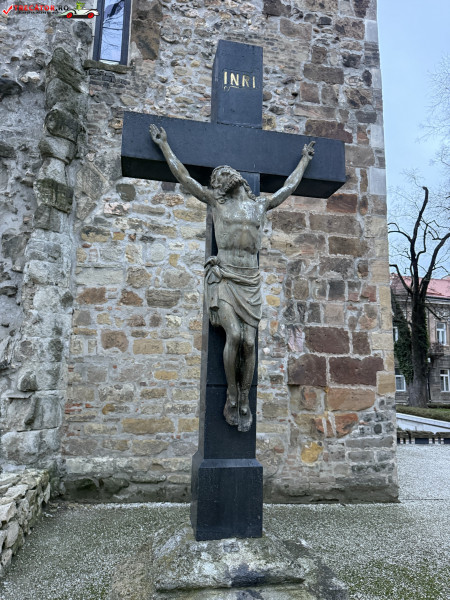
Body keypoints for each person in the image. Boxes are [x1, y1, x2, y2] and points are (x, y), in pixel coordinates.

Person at [150, 124, 315, 432]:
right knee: (235, 336)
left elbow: (288, 188)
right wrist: (164, 146)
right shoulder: (217, 202)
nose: (228, 173)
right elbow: (184, 177)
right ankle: (231, 393)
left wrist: (304, 160)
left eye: (228, 171)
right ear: (220, 184)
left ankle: (244, 396)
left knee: (250, 343)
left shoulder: (259, 205)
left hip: (250, 280)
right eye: (222, 173)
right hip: (225, 276)